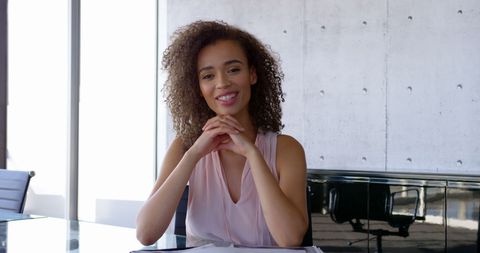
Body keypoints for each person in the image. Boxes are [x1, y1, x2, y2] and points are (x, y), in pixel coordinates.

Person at [136, 20, 308, 247]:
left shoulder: (286, 149)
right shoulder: (184, 147)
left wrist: (253, 154)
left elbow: (290, 239)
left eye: (233, 70)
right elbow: (145, 234)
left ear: (252, 75)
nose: (222, 83)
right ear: (197, 87)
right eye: (208, 76)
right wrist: (194, 153)